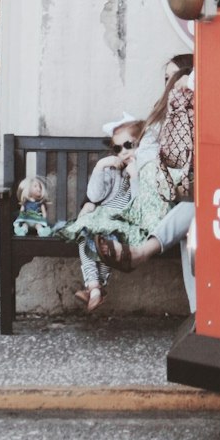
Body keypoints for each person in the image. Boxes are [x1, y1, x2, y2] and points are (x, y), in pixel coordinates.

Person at [97, 56, 196, 305]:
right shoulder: (159, 114)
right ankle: (198, 314)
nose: (170, 85)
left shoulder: (194, 107)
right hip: (159, 194)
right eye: (166, 79)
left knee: (194, 215)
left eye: (175, 78)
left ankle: (141, 252)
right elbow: (146, 154)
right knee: (193, 215)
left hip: (183, 195)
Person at [71, 116, 142, 312]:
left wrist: (135, 176)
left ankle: (94, 288)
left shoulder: (146, 170)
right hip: (102, 216)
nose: (124, 151)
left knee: (108, 244)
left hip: (124, 220)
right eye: (118, 148)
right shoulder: (113, 170)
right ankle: (95, 287)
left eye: (129, 145)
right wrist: (100, 166)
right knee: (85, 237)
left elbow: (138, 206)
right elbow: (94, 196)